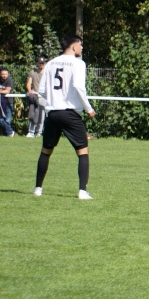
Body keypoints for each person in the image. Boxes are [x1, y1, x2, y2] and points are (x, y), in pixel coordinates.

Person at [33, 34, 96, 199]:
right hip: (70, 113)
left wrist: (49, 107)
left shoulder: (51, 63)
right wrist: (89, 109)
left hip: (53, 113)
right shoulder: (78, 63)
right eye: (80, 45)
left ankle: (38, 188)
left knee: (46, 151)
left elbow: (40, 92)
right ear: (74, 46)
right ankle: (82, 190)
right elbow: (78, 87)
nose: (82, 48)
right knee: (83, 152)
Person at [26, 58, 47, 137]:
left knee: (41, 115)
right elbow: (29, 83)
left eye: (43, 63)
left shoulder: (47, 73)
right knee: (32, 113)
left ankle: (39, 132)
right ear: (37, 63)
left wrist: (39, 93)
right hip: (34, 97)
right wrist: (30, 91)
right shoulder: (32, 72)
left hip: (43, 96)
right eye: (40, 63)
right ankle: (31, 131)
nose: (41, 64)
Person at [0, 67, 15, 136]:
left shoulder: (9, 80)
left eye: (6, 74)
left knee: (8, 120)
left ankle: (6, 135)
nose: (4, 75)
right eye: (3, 74)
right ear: (0, 74)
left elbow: (7, 91)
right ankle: (10, 132)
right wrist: (3, 91)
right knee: (0, 119)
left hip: (8, 102)